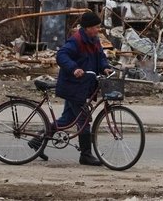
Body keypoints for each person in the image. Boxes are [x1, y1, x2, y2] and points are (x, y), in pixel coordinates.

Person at [31, 11, 113, 165]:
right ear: (87, 27)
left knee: (67, 119)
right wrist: (74, 68)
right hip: (73, 86)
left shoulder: (94, 40)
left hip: (83, 86)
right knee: (84, 118)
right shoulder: (76, 40)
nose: (98, 30)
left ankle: (38, 140)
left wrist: (105, 68)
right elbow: (61, 55)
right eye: (95, 27)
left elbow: (100, 57)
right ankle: (86, 155)